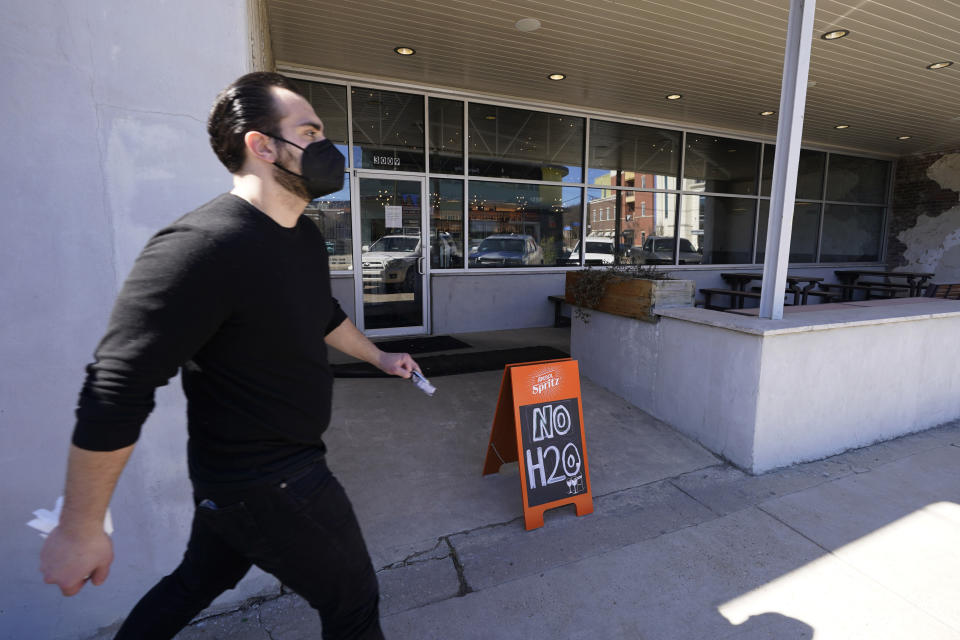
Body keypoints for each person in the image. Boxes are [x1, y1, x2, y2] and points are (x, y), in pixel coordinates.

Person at [39, 72, 418, 640]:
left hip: (239, 483)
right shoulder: (203, 245)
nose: (326, 149)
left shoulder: (303, 237)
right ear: (262, 145)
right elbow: (117, 385)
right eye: (310, 132)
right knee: (355, 603)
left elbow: (323, 317)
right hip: (274, 481)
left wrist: (379, 358)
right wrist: (80, 526)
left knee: (195, 583)